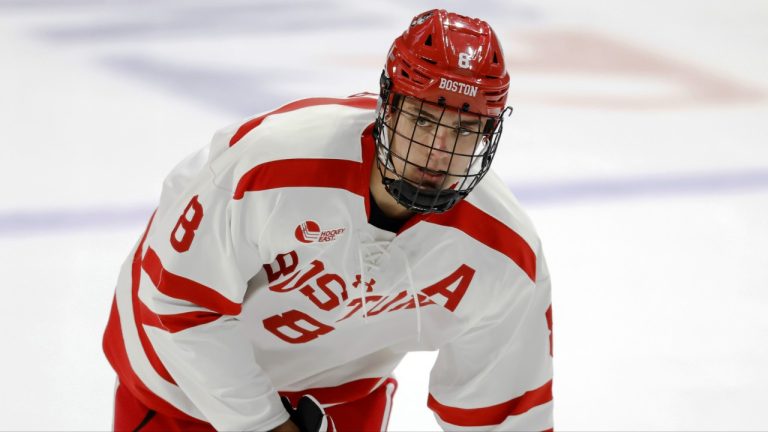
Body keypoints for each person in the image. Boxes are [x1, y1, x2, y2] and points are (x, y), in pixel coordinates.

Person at [103, 9, 553, 432]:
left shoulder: (505, 254)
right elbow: (179, 302)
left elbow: (502, 414)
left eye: (465, 129)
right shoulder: (272, 165)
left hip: (340, 397)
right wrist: (268, 425)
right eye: (422, 119)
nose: (438, 149)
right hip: (182, 387)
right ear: (389, 108)